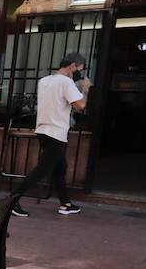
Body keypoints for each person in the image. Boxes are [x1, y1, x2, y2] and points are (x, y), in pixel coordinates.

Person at [12, 52, 90, 217]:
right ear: (72, 66)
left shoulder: (44, 81)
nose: (79, 73)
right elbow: (80, 106)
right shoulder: (66, 82)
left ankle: (65, 203)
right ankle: (12, 200)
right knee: (42, 170)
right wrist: (85, 89)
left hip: (43, 129)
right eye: (79, 69)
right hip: (56, 131)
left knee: (60, 167)